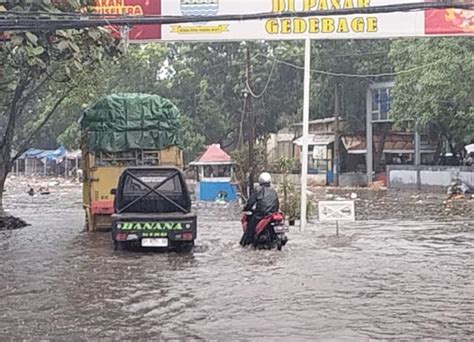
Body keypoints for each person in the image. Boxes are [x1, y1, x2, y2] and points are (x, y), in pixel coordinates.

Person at [240, 172, 280, 247]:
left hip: (261, 215)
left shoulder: (257, 190)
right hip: (273, 214)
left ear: (260, 180)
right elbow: (277, 203)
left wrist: (246, 209)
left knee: (250, 229)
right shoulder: (273, 191)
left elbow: (251, 202)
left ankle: (245, 243)